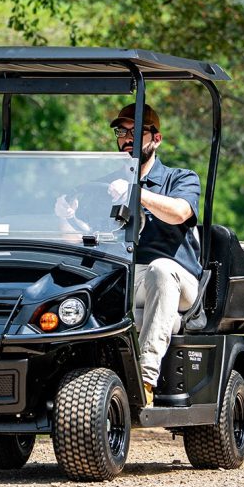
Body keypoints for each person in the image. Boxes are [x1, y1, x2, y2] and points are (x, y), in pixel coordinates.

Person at [56, 103, 201, 406]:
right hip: (127, 280)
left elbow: (179, 213)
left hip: (178, 281)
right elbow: (87, 239)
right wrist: (65, 216)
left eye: (136, 132)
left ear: (156, 138)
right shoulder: (105, 183)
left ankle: (145, 379)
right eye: (122, 132)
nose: (126, 139)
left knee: (161, 269)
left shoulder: (180, 178)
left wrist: (136, 194)